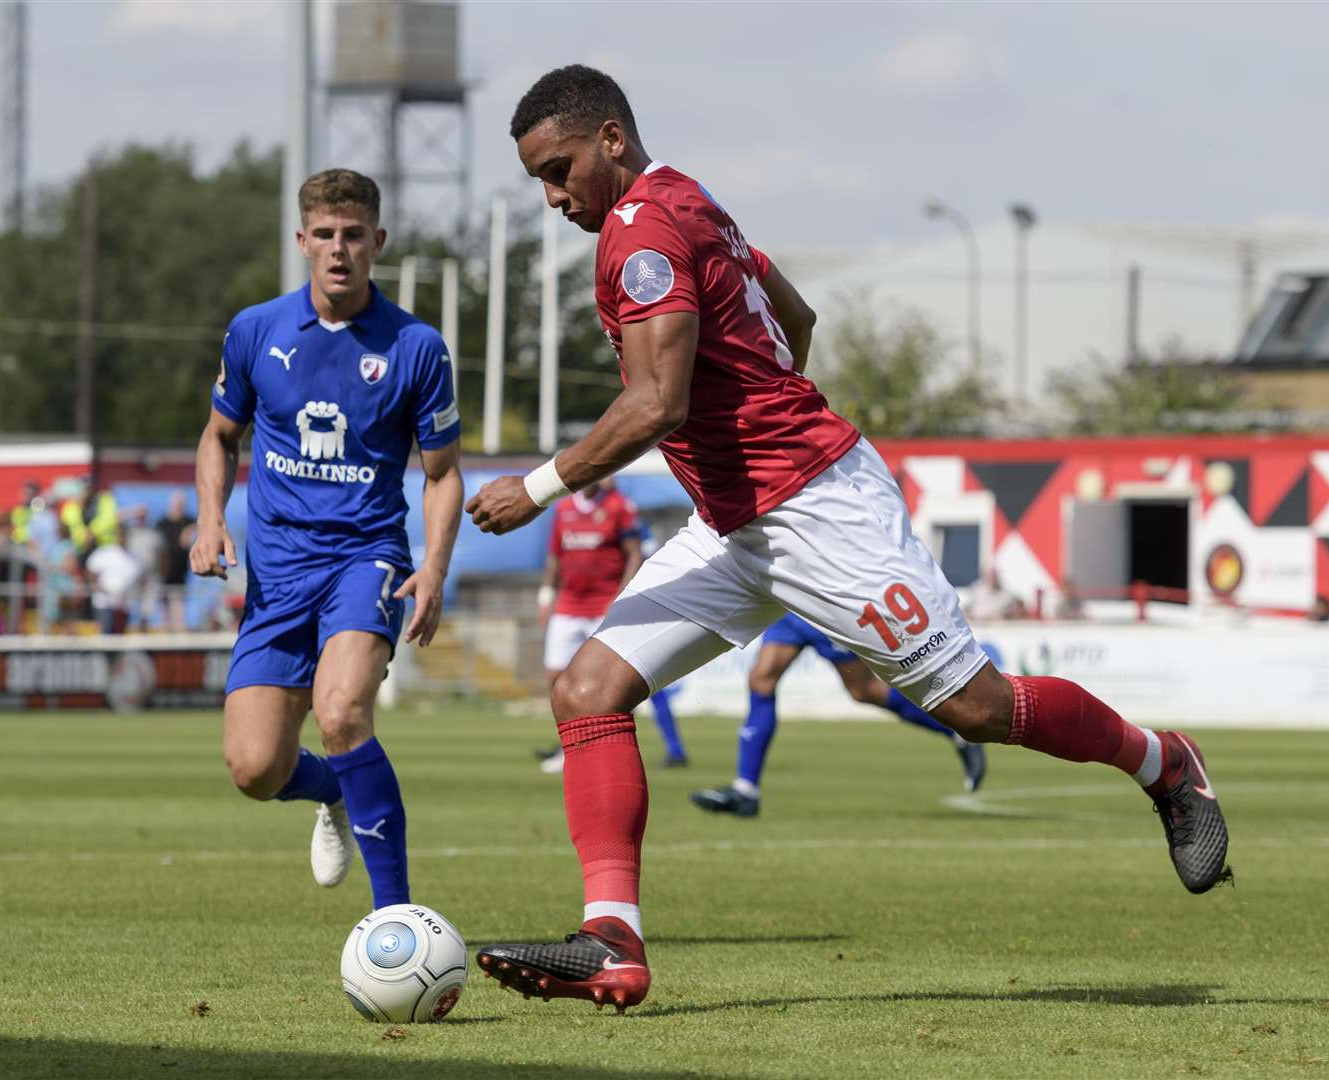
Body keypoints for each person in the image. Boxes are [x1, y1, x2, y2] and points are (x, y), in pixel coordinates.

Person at [464, 66, 1230, 1013]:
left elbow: (656, 402)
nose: (551, 196)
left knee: (979, 707)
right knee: (587, 689)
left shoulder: (642, 233)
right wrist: (756, 425)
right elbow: (797, 318)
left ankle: (1163, 764)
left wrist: (536, 487)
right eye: (539, 177)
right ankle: (612, 938)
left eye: (559, 168)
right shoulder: (686, 196)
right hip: (737, 519)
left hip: (820, 512)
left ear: (611, 139)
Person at [190, 168, 464, 914]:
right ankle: (333, 790)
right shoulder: (256, 330)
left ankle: (396, 923)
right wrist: (211, 519)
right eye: (324, 235)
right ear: (301, 240)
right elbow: (219, 437)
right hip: (276, 574)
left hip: (364, 558)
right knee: (254, 769)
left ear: (377, 241)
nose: (338, 250)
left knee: (343, 713)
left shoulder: (416, 347)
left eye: (353, 236)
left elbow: (442, 476)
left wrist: (434, 566)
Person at [691, 613, 986, 817]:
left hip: (819, 603)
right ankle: (746, 790)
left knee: (864, 689)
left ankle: (957, 732)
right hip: (788, 604)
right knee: (761, 679)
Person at [535, 480, 687, 774]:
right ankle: (568, 746)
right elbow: (554, 557)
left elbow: (634, 552)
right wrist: (546, 597)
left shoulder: (618, 506)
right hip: (569, 605)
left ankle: (671, 747)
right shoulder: (564, 508)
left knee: (633, 679)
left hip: (603, 605)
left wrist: (622, 595)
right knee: (556, 678)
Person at [85, 523, 144, 634]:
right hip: (104, 603)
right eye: (120, 535)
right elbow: (91, 571)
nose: (122, 537)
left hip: (124, 605)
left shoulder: (134, 558)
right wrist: (99, 587)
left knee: (120, 636)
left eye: (124, 535)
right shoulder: (104, 552)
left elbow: (139, 581)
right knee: (106, 634)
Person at [157, 491, 196, 631]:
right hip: (163, 571)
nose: (179, 506)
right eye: (177, 503)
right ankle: (166, 632)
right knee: (164, 605)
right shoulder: (162, 523)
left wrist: (188, 531)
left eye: (182, 504)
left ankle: (179, 632)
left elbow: (203, 523)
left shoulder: (188, 521)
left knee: (178, 604)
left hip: (180, 572)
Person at [125, 505, 167, 631]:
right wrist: (132, 512)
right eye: (139, 516)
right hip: (134, 575)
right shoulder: (130, 532)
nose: (141, 519)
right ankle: (133, 625)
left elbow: (162, 554)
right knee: (132, 602)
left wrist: (162, 572)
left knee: (149, 603)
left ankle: (146, 624)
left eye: (143, 516)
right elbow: (115, 520)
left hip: (151, 574)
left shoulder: (154, 534)